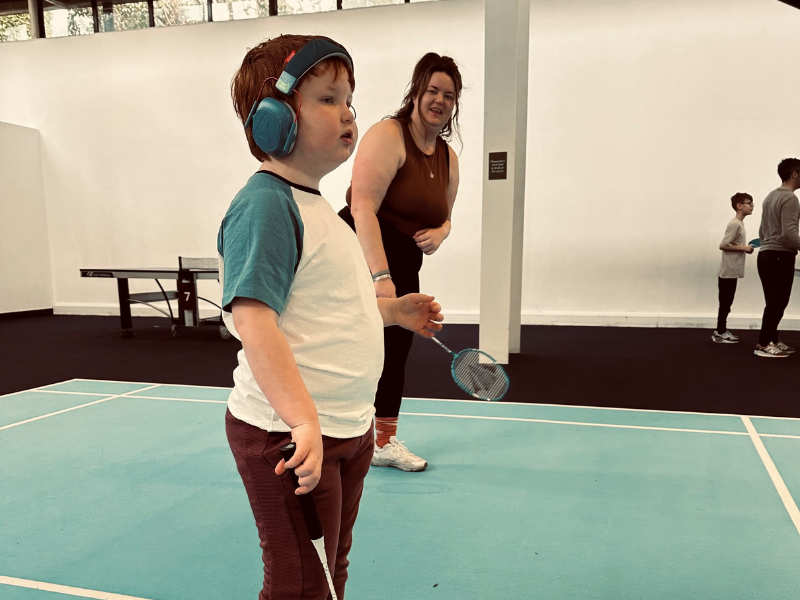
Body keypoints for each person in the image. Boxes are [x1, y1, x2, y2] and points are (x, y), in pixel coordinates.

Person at [219, 35, 444, 600]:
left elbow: (331, 308)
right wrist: (301, 422)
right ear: (272, 121)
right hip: (289, 437)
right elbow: (256, 322)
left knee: (329, 571)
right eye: (327, 98)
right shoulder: (266, 205)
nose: (348, 112)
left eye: (350, 98)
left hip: (345, 428)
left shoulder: (320, 208)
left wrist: (393, 312)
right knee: (299, 583)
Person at [339, 53, 462, 472]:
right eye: (432, 90)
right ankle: (324, 431)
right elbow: (362, 208)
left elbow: (445, 215)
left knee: (396, 349)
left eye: (448, 95)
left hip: (406, 259)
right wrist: (381, 277)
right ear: (416, 92)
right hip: (361, 249)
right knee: (348, 342)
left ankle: (383, 443)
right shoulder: (388, 135)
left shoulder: (448, 158)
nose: (439, 100)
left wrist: (443, 232)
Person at [755, 158, 800, 358]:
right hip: (780, 256)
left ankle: (772, 340)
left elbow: (762, 232)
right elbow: (789, 234)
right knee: (777, 303)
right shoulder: (790, 198)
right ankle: (763, 344)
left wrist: (769, 246)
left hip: (766, 255)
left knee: (773, 302)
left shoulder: (770, 196)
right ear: (795, 174)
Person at [712, 193, 754, 344]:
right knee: (725, 303)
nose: (752, 206)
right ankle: (719, 332)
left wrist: (743, 247)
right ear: (739, 205)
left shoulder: (739, 224)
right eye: (749, 203)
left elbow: (731, 244)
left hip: (731, 270)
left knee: (726, 303)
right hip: (728, 271)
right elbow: (723, 245)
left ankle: (721, 330)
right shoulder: (735, 224)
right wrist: (745, 247)